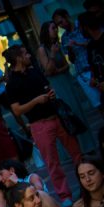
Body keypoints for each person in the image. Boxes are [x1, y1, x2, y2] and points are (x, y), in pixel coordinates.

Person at [3, 44, 82, 204]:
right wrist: (36, 101)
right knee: (52, 162)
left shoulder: (35, 71)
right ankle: (65, 196)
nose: (29, 56)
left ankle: (85, 184)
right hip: (39, 125)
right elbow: (17, 110)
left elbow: (48, 86)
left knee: (77, 154)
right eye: (25, 53)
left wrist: (50, 93)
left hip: (57, 117)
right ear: (18, 58)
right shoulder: (12, 84)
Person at [37, 20, 92, 150]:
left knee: (77, 111)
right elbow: (48, 71)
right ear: (46, 31)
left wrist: (58, 70)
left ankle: (87, 146)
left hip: (66, 80)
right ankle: (76, 149)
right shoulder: (42, 49)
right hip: (56, 84)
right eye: (53, 28)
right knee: (66, 115)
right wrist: (52, 54)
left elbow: (66, 66)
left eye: (56, 28)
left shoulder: (57, 44)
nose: (56, 30)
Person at [53, 8, 100, 109]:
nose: (60, 26)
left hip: (96, 68)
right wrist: (70, 50)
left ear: (66, 16)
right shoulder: (64, 37)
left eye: (61, 22)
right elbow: (72, 60)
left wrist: (78, 44)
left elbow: (96, 41)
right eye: (58, 24)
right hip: (82, 73)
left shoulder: (82, 26)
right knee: (98, 105)